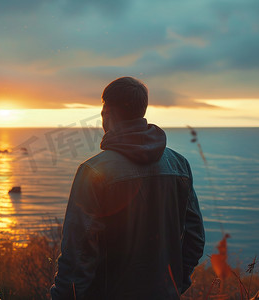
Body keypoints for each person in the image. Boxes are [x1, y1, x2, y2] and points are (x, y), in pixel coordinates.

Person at [50, 77, 205, 299]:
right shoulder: (179, 165)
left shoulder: (93, 172)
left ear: (106, 114)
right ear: (142, 110)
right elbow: (195, 238)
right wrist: (175, 284)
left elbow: (77, 254)